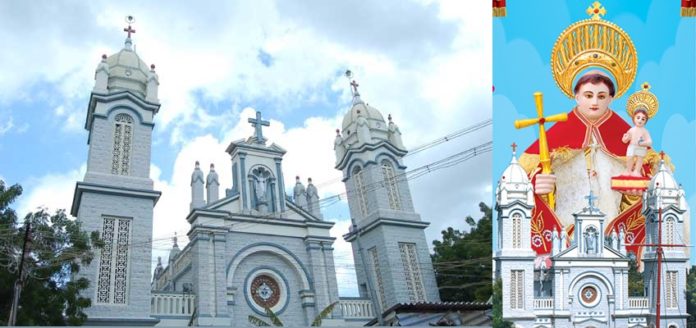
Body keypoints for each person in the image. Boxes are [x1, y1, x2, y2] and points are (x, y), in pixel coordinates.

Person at [519, 73, 651, 255]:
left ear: (611, 98)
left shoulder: (626, 139)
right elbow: (518, 183)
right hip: (564, 237)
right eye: (588, 95)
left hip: (611, 241)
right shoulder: (556, 137)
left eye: (602, 96)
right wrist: (536, 186)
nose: (594, 102)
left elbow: (647, 192)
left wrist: (635, 196)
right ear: (577, 96)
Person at [622, 108, 652, 176]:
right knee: (629, 158)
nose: (640, 120)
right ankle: (628, 170)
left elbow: (650, 141)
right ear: (634, 118)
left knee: (640, 159)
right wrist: (625, 138)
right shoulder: (631, 130)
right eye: (638, 117)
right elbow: (625, 140)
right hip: (632, 146)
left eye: (643, 119)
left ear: (645, 121)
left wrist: (643, 143)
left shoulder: (645, 131)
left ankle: (637, 171)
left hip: (641, 147)